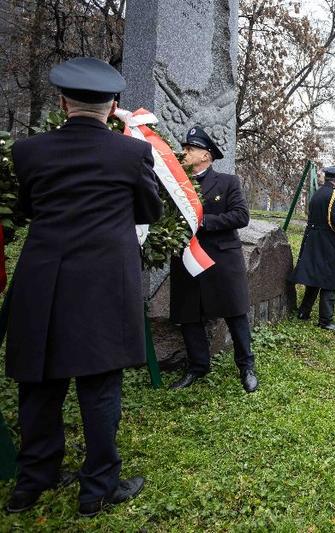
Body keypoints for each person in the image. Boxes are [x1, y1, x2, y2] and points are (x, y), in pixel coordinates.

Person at [4, 57, 162, 516]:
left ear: (61, 102)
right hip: (102, 285)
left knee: (39, 383)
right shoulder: (131, 154)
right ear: (113, 107)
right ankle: (97, 488)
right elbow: (149, 212)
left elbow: (30, 207)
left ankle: (32, 481)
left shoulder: (28, 151)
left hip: (43, 280)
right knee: (99, 388)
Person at [169, 126, 258, 393]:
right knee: (189, 314)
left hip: (221, 258)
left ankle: (246, 366)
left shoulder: (227, 182)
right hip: (187, 258)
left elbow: (241, 216)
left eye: (190, 149)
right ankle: (198, 366)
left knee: (235, 312)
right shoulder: (176, 183)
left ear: (206, 155)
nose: (185, 153)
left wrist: (204, 221)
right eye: (185, 148)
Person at [291, 166, 335, 331]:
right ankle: (326, 320)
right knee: (328, 278)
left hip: (312, 237)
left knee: (315, 276)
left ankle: (303, 312)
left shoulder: (318, 193)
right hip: (327, 240)